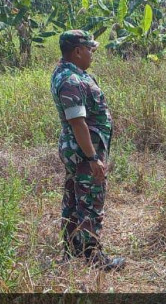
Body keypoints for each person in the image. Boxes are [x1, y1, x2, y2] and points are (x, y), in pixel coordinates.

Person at [50, 30, 125, 271]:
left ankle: (73, 251)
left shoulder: (68, 73)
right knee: (91, 200)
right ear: (78, 51)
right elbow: (77, 122)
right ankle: (94, 258)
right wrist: (93, 157)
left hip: (77, 148)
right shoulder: (71, 81)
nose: (92, 54)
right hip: (83, 150)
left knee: (74, 199)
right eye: (90, 50)